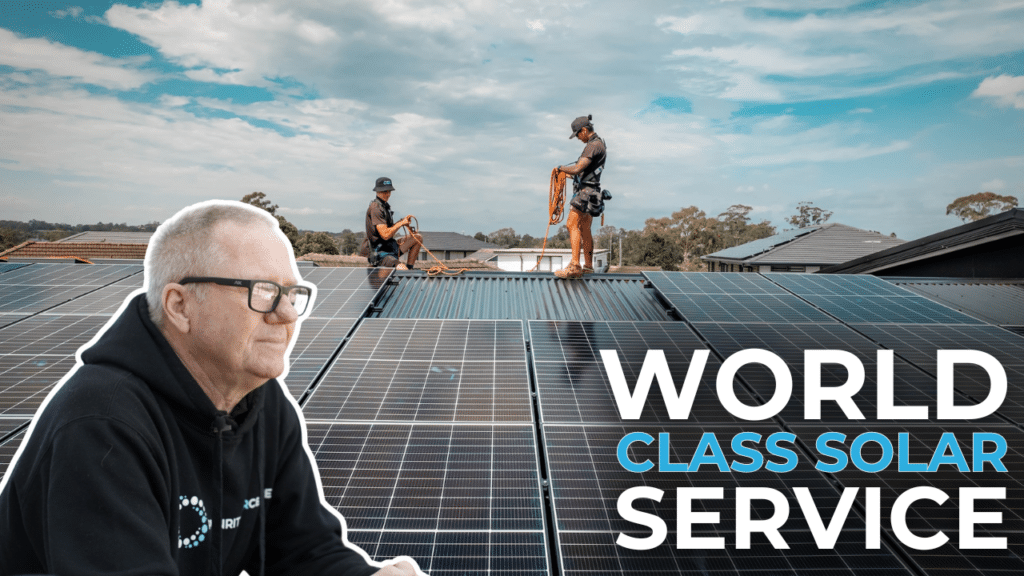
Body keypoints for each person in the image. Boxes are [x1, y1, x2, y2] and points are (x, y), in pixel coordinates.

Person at [0, 201, 421, 576]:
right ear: (180, 306)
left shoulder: (260, 400)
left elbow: (303, 553)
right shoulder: (101, 424)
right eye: (264, 292)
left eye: (293, 293)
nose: (287, 315)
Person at [554, 114, 607, 279]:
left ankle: (575, 265)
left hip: (585, 193)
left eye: (577, 134)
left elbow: (577, 168)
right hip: (592, 191)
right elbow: (583, 173)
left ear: (584, 130)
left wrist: (560, 168)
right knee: (584, 228)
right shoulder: (599, 144)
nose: (578, 138)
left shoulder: (593, 146)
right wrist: (567, 175)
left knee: (571, 224)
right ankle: (588, 266)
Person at [364, 176, 422, 270]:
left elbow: (388, 232)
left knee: (417, 238)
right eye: (384, 191)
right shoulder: (376, 208)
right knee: (402, 269)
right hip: (380, 253)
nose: (387, 194)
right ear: (377, 192)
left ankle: (410, 268)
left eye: (389, 191)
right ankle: (406, 272)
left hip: (390, 247)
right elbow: (385, 235)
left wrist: (402, 222)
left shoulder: (385, 206)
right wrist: (400, 224)